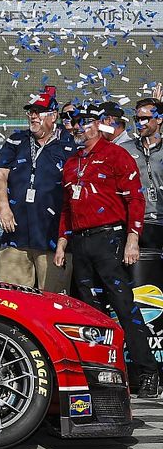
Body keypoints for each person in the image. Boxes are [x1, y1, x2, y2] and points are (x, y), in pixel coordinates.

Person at [54, 104, 159, 397]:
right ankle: (101, 374)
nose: (78, 127)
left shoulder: (116, 155)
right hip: (80, 242)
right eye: (76, 122)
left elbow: (135, 199)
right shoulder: (72, 162)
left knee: (124, 306)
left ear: (99, 125)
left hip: (110, 238)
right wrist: (62, 241)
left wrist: (132, 238)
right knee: (90, 313)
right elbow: (66, 207)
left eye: (85, 122)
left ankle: (148, 372)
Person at [0, 87, 77, 292]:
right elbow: (0, 174)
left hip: (53, 236)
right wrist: (3, 207)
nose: (33, 116)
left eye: (39, 112)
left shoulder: (70, 143)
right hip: (16, 234)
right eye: (31, 112)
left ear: (53, 116)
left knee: (53, 299)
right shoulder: (16, 140)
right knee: (12, 299)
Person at [121, 98, 163, 254]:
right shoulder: (125, 149)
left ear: (159, 119)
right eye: (137, 119)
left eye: (145, 118)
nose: (140, 123)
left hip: (159, 223)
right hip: (132, 224)